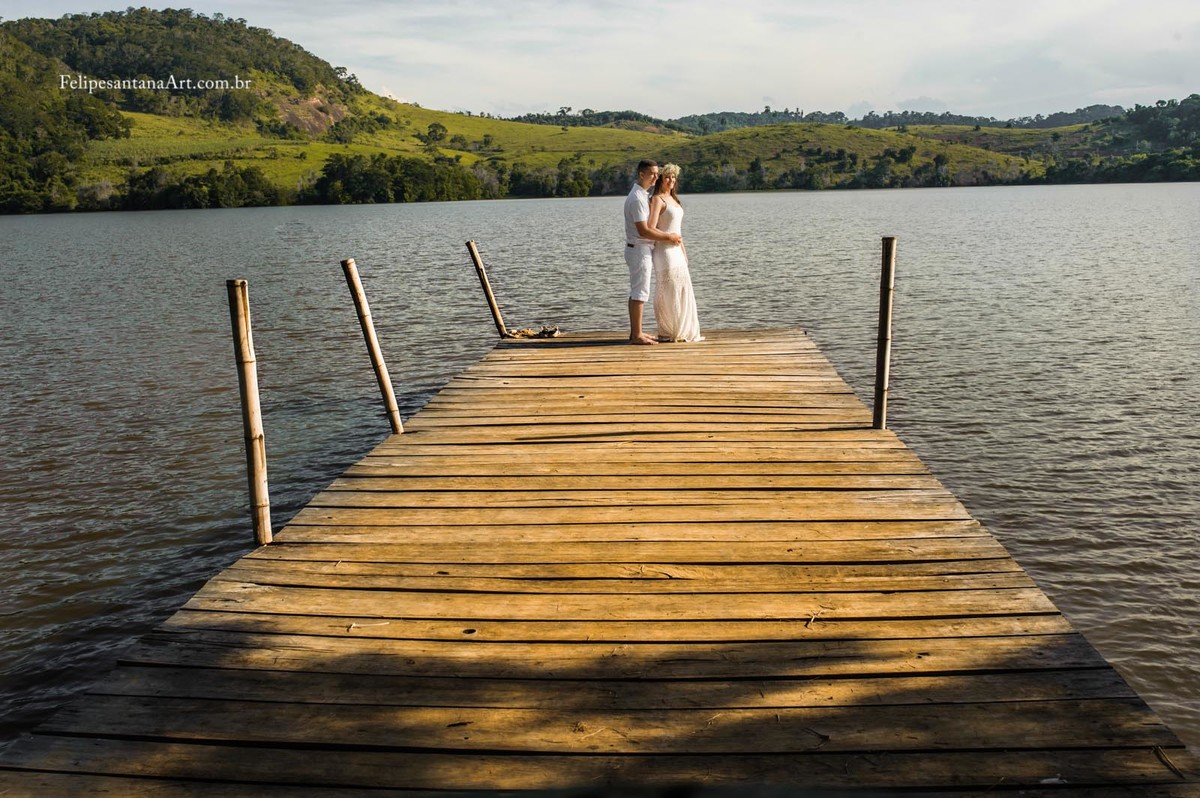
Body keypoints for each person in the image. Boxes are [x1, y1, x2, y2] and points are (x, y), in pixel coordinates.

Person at [623, 160, 681, 344]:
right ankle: (637, 335)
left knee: (640, 291)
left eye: (657, 174)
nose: (657, 177)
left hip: (642, 248)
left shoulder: (642, 195)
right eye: (653, 174)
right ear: (642, 174)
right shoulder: (638, 199)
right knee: (640, 292)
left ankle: (636, 332)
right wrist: (669, 237)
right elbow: (644, 230)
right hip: (639, 249)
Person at [648, 163, 702, 342]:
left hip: (677, 250)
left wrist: (684, 251)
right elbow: (650, 228)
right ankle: (666, 330)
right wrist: (669, 237)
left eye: (673, 177)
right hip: (664, 251)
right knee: (668, 288)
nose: (671, 180)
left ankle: (683, 329)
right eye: (667, 177)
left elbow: (678, 231)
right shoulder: (657, 199)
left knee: (682, 287)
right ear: (661, 179)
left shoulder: (674, 200)